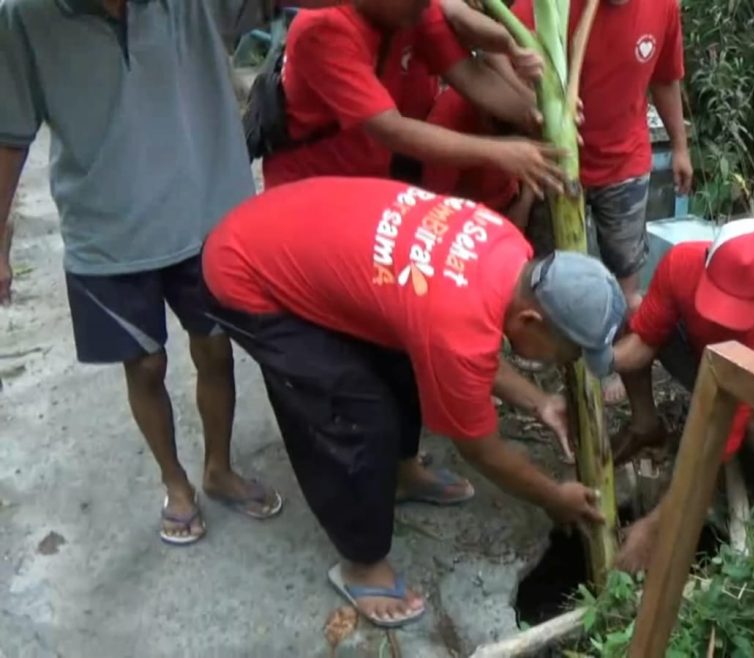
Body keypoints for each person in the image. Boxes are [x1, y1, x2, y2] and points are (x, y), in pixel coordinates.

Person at [202, 176, 626, 627]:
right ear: (531, 319)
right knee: (355, 418)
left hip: (288, 228)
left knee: (404, 363)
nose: (571, 360)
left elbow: (459, 351)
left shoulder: (509, 249)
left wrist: (539, 401)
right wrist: (552, 497)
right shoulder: (457, 326)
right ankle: (362, 566)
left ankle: (400, 476)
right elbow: (481, 447)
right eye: (571, 350)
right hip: (247, 273)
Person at [0, 0, 283, 546]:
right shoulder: (24, 20)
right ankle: (174, 481)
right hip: (108, 229)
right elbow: (10, 136)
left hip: (204, 211)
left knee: (216, 348)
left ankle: (219, 469)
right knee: (146, 365)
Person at [502, 0, 694, 403]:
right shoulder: (548, 7)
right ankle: (559, 369)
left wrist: (680, 146)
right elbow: (495, 52)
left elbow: (665, 79)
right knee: (550, 281)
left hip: (624, 163)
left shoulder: (663, 7)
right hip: (555, 163)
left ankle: (614, 369)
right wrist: (527, 98)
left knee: (627, 282)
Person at [604, 219, 754, 572]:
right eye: (719, 298)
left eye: (739, 310)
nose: (726, 319)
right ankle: (645, 425)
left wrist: (654, 527)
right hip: (710, 361)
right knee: (639, 317)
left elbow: (711, 447)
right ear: (706, 261)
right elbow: (642, 341)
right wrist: (593, 361)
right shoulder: (681, 264)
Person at [261, 0, 562, 193]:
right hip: (309, 187)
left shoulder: (413, 10)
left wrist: (542, 112)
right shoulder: (323, 29)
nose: (430, 4)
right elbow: (392, 130)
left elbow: (472, 76)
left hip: (371, 178)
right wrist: (502, 152)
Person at [422, 86, 536, 226]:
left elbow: (538, 155)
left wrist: (523, 205)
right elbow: (440, 207)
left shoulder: (531, 109)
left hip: (509, 201)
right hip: (464, 216)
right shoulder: (447, 118)